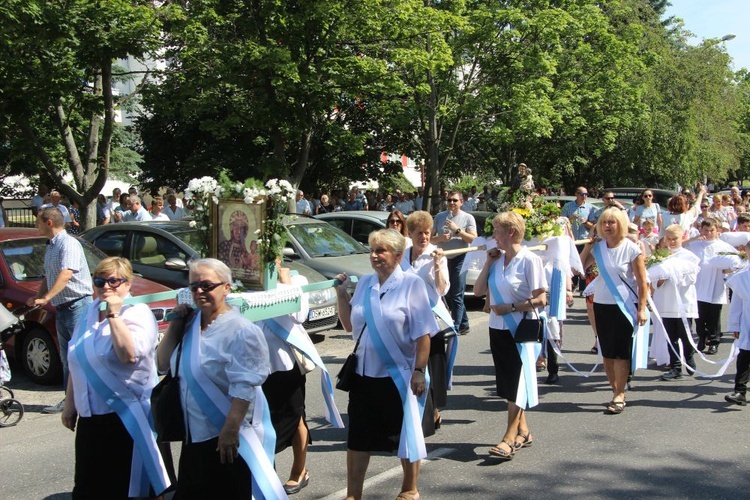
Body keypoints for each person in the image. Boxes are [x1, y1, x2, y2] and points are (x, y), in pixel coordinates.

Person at [334, 229, 439, 500]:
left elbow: (423, 334)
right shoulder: (366, 283)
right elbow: (348, 326)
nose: (374, 256)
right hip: (363, 375)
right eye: (372, 250)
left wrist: (419, 371)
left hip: (398, 375)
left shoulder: (411, 284)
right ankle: (353, 494)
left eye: (381, 251)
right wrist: (341, 294)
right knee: (358, 437)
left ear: (397, 255)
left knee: (405, 434)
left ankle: (409, 488)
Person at [156, 259, 271, 499]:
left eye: (207, 285)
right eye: (194, 286)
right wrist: (176, 324)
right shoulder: (190, 324)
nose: (199, 291)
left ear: (226, 287)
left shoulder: (242, 330)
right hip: (193, 436)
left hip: (223, 437)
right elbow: (162, 363)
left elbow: (244, 386)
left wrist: (229, 431)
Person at [64, 257, 171, 498]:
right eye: (100, 281)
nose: (106, 287)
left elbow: (128, 355)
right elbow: (77, 359)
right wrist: (70, 405)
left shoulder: (138, 313)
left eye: (114, 281)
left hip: (127, 419)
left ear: (128, 283)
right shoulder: (90, 312)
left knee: (128, 490)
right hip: (91, 420)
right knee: (88, 489)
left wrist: (114, 316)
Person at [258, 271, 342, 495]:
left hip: (285, 362)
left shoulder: (296, 279)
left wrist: (285, 283)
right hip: (255, 365)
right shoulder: (247, 281)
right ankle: (266, 473)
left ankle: (299, 470)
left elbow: (299, 315)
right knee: (261, 420)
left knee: (294, 416)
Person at [473, 211, 547, 460]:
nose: (493, 235)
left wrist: (512, 308)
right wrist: (487, 262)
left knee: (517, 383)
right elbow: (478, 291)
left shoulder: (529, 260)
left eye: (497, 231)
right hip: (497, 328)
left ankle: (508, 438)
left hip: (521, 330)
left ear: (511, 232)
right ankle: (523, 431)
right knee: (508, 383)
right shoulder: (497, 260)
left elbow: (541, 299)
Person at [582, 207, 649, 414]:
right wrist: (587, 246)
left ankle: (619, 393)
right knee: (607, 353)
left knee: (620, 353)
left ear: (620, 224)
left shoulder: (631, 248)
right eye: (603, 223)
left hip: (624, 306)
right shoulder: (599, 248)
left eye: (611, 222)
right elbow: (580, 266)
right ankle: (615, 390)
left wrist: (642, 308)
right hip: (602, 304)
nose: (607, 226)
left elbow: (641, 281)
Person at [27, 208, 93, 414]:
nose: (35, 226)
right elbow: (50, 276)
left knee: (81, 355)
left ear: (48, 223)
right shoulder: (51, 247)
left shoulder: (69, 244)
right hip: (63, 307)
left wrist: (46, 298)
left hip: (78, 305)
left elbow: (66, 274)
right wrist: (39, 297)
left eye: (37, 222)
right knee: (67, 358)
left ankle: (89, 399)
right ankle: (70, 400)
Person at [402, 211, 451, 433]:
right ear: (410, 234)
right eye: (419, 233)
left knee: (430, 367)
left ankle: (432, 411)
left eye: (427, 233)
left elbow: (441, 290)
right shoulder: (402, 256)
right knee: (411, 368)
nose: (424, 237)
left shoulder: (436, 255)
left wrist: (438, 266)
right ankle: (417, 412)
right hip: (406, 321)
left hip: (431, 320)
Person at [650, 225, 700, 380]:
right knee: (670, 336)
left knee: (685, 334)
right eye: (669, 239)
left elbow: (692, 279)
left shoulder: (689, 256)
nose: (671, 242)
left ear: (682, 237)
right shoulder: (660, 256)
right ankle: (675, 367)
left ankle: (689, 356)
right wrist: (661, 279)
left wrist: (675, 275)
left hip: (683, 302)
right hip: (666, 302)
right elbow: (652, 280)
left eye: (675, 239)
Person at [685, 218, 742, 355]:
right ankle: (702, 337)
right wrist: (694, 238)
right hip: (698, 286)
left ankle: (714, 341)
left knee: (714, 317)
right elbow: (679, 246)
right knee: (699, 316)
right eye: (706, 230)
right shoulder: (695, 245)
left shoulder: (724, 246)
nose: (709, 233)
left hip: (715, 286)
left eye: (712, 230)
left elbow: (738, 261)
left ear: (718, 231)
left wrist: (729, 269)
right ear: (701, 230)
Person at [432, 190, 477, 334]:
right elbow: (430, 239)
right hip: (444, 257)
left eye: (455, 200)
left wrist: (457, 230)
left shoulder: (468, 218)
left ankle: (455, 327)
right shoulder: (439, 217)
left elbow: (473, 239)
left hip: (460, 257)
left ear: (461, 202)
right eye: (449, 200)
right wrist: (440, 239)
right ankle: (464, 323)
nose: (452, 203)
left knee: (457, 293)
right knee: (448, 293)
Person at [725, 244, 750, 406]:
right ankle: (740, 391)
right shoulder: (742, 277)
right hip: (748, 322)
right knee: (745, 357)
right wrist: (735, 325)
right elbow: (736, 303)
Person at [561, 186, 595, 294]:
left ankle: (583, 287)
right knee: (572, 262)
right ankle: (572, 284)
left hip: (584, 239)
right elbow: (561, 223)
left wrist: (585, 222)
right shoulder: (568, 206)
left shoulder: (590, 208)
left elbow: (594, 226)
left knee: (583, 262)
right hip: (571, 239)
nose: (584, 196)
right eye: (582, 194)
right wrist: (570, 219)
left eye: (586, 194)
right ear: (576, 194)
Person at [217, 210, 258, 279]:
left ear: (245, 231)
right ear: (231, 229)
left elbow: (249, 270)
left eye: (242, 228)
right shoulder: (224, 246)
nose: (239, 232)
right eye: (236, 227)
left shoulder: (246, 250)